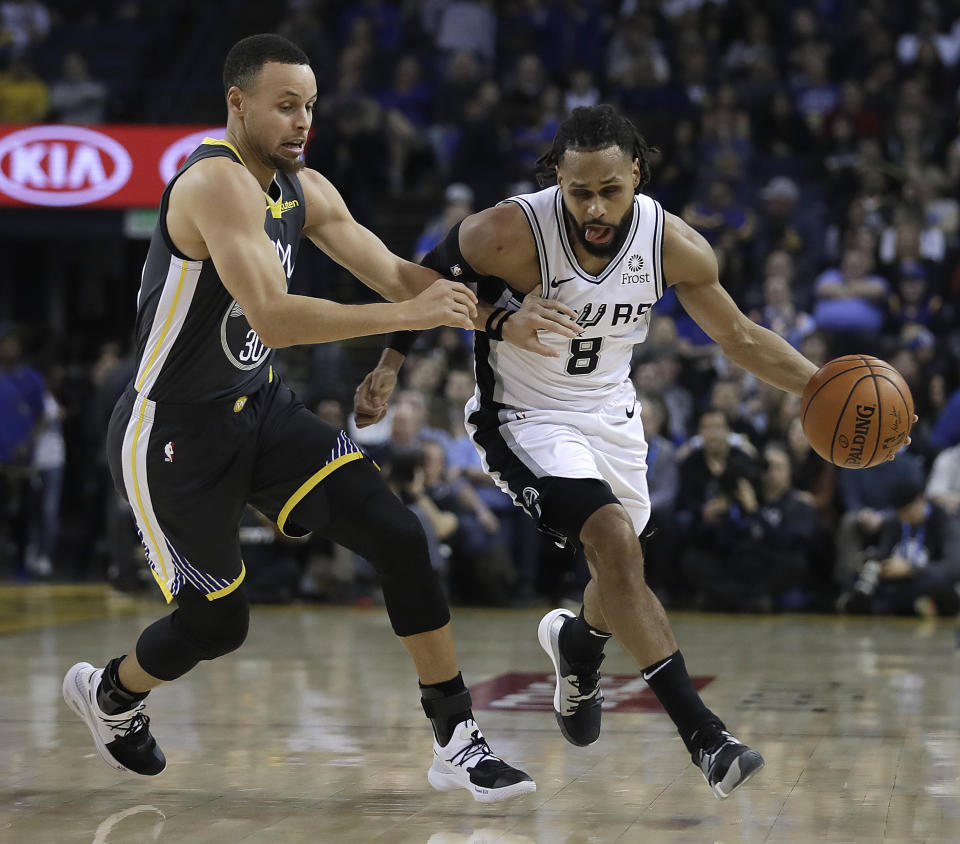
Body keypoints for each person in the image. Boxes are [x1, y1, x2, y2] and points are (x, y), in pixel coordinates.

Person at [61, 34, 545, 804]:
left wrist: (492, 319)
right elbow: (277, 318)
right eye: (285, 105)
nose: (301, 121)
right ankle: (113, 694)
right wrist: (406, 312)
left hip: (259, 410)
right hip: (173, 434)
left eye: (310, 106)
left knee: (397, 534)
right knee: (218, 626)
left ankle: (457, 738)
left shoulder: (305, 189)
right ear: (237, 103)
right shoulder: (214, 184)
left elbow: (393, 270)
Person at [355, 104, 836, 799]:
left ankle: (579, 646)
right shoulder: (509, 230)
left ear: (636, 172)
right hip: (523, 416)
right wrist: (402, 360)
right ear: (558, 178)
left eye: (611, 188)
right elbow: (419, 278)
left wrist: (822, 386)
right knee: (612, 540)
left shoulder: (673, 245)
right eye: (580, 191)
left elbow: (740, 337)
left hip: (612, 415)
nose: (596, 206)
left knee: (623, 562)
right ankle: (706, 737)